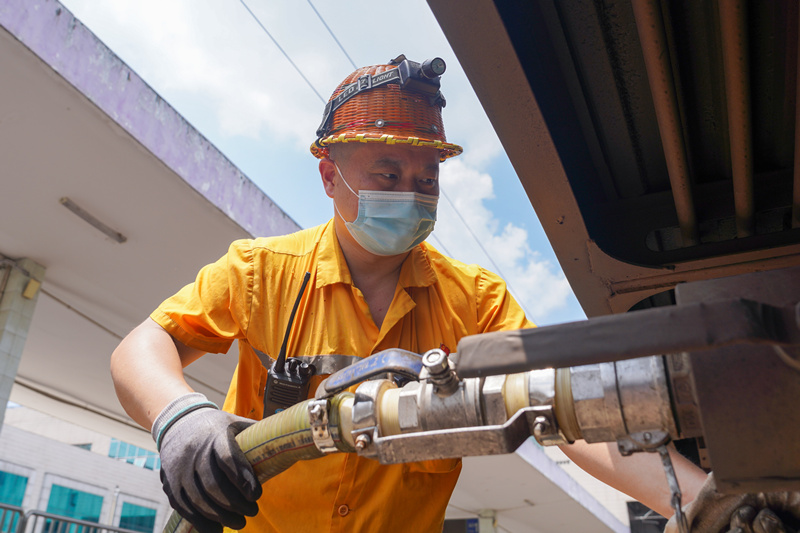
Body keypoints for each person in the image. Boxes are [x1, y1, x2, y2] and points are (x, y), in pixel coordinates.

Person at [111, 55, 707, 533]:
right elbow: (144, 345)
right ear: (329, 176)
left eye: (428, 180)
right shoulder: (259, 272)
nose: (413, 195)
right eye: (388, 175)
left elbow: (570, 410)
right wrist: (181, 418)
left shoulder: (475, 301)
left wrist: (703, 502)